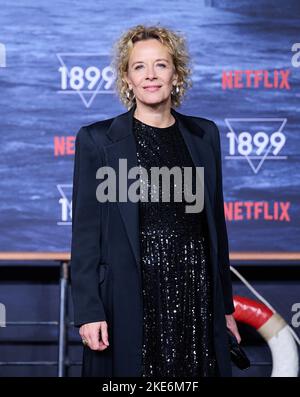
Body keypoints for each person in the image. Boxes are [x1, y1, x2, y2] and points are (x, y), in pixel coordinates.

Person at [70, 24, 241, 377]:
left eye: (160, 65)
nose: (150, 75)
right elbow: (85, 236)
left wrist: (224, 307)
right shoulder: (98, 141)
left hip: (195, 294)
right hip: (129, 297)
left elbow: (215, 231)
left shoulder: (203, 135)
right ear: (127, 78)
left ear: (176, 73)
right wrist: (89, 311)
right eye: (139, 67)